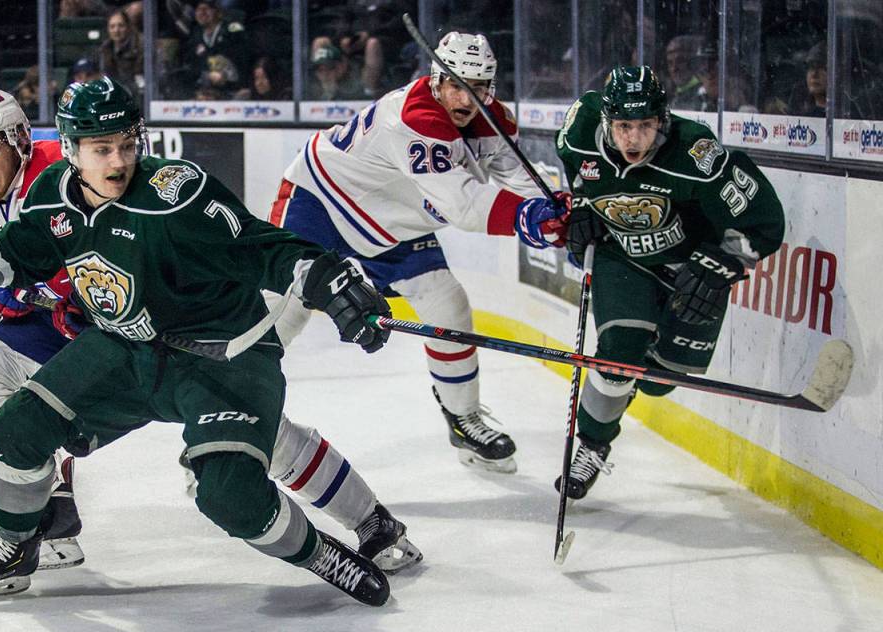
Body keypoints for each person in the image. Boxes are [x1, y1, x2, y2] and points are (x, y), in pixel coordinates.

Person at [0, 76, 409, 608]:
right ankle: (14, 545)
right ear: (74, 150)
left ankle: (325, 552)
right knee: (18, 427)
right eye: (102, 149)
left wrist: (332, 281)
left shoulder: (178, 193)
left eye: (126, 144)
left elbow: (266, 249)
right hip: (125, 349)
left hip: (218, 356)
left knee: (232, 492)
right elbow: (17, 253)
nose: (118, 162)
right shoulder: (53, 194)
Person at [269, 31, 568, 474]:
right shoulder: (416, 117)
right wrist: (530, 221)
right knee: (278, 315)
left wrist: (560, 213)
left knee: (448, 304)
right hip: (323, 202)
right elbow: (463, 204)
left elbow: (525, 185)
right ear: (436, 79)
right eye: (458, 85)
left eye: (481, 86)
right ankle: (232, 424)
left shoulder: (494, 121)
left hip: (391, 223)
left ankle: (462, 418)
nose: (469, 98)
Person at [549, 65, 784, 499]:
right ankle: (593, 445)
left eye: (645, 125)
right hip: (623, 259)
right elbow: (581, 177)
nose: (633, 139)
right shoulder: (579, 130)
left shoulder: (696, 154)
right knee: (618, 352)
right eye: (623, 126)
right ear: (606, 121)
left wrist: (723, 260)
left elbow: (764, 222)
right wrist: (581, 206)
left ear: (663, 119)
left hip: (689, 270)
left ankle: (637, 378)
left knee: (659, 381)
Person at [0, 88, 86, 571]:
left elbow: (86, 271)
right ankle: (43, 509)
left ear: (19, 142)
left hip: (115, 325)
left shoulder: (56, 174)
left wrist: (37, 291)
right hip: (49, 324)